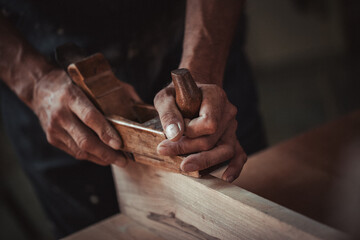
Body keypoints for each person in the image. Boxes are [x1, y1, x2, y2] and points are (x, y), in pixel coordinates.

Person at [0, 0, 266, 238]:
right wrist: (35, 82)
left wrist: (203, 71)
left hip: (192, 33)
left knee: (254, 196)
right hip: (43, 77)